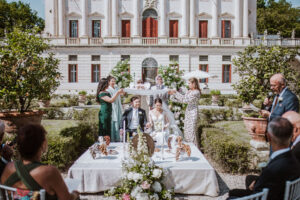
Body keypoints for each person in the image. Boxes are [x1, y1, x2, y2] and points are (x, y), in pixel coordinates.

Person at [1, 124, 79, 200]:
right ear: (43, 144)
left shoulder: (7, 168)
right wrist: (75, 194)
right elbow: (66, 198)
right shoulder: (50, 172)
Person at [228, 117, 300, 200]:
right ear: (291, 136)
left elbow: (259, 195)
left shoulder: (273, 169)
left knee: (232, 195)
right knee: (237, 190)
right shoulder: (293, 158)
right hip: (281, 194)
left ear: (269, 136)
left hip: (268, 195)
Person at [168, 77, 201, 147]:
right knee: (187, 131)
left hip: (193, 113)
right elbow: (182, 100)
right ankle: (189, 147)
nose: (188, 85)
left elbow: (185, 100)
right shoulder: (190, 91)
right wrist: (173, 96)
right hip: (188, 111)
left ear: (194, 83)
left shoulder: (196, 92)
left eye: (189, 83)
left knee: (192, 132)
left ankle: (195, 148)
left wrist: (175, 92)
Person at [107, 76, 123, 142]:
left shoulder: (116, 88)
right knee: (113, 123)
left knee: (119, 122)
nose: (113, 82)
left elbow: (120, 96)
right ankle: (112, 140)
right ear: (108, 82)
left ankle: (118, 139)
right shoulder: (108, 90)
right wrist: (118, 93)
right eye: (112, 81)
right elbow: (112, 99)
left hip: (118, 107)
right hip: (113, 108)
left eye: (114, 81)